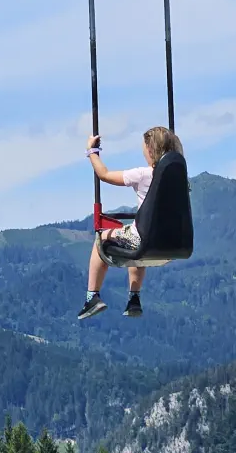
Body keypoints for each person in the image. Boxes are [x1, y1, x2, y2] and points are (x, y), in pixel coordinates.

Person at [78, 126, 184, 321]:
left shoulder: (143, 174)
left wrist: (92, 152)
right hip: (171, 242)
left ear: (150, 150)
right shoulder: (179, 177)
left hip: (144, 239)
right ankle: (134, 297)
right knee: (137, 242)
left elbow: (104, 174)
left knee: (102, 238)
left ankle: (92, 296)